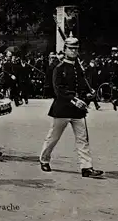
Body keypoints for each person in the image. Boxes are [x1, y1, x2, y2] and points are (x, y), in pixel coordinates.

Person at [39, 33, 103, 178]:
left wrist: (88, 94)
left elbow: (82, 86)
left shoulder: (79, 68)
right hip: (62, 109)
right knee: (53, 138)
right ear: (65, 49)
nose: (74, 51)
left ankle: (86, 167)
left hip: (78, 111)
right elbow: (59, 90)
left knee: (83, 139)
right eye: (71, 48)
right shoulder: (59, 68)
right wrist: (75, 100)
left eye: (76, 49)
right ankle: (44, 159)